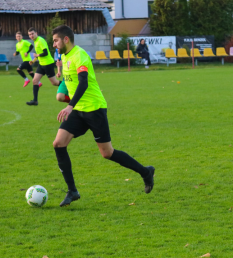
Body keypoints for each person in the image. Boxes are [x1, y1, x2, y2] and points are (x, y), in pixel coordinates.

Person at [52, 25, 155, 207]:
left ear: (66, 39)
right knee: (58, 144)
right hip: (78, 111)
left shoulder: (79, 55)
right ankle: (72, 191)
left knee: (107, 153)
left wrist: (69, 106)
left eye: (55, 40)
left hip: (94, 109)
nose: (54, 44)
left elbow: (83, 83)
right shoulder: (63, 56)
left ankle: (145, 172)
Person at [26, 27, 61, 106]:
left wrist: (37, 55)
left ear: (36, 33)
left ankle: (68, 84)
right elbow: (39, 54)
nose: (31, 36)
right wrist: (33, 61)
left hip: (48, 64)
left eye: (32, 34)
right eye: (29, 34)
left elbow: (45, 53)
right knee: (35, 81)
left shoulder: (40, 40)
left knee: (54, 83)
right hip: (41, 64)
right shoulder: (35, 41)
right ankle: (35, 101)